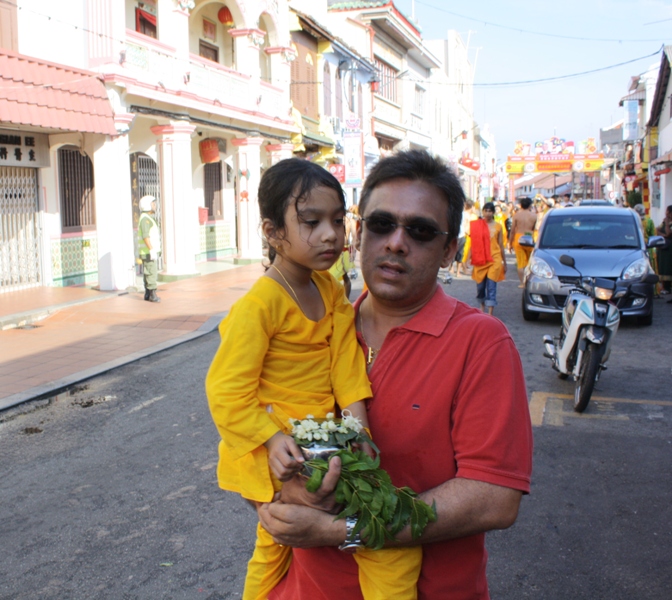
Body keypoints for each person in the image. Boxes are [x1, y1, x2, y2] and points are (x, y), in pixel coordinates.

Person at [258, 149, 533, 600]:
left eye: (420, 231)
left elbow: (494, 497)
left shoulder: (480, 343)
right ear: (359, 233)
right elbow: (248, 435)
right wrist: (273, 501)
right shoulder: (315, 329)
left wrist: (338, 530)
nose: (396, 242)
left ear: (448, 252)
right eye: (382, 224)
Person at [205, 158, 422, 600]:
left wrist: (359, 426)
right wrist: (268, 440)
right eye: (312, 222)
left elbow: (345, 363)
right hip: (278, 456)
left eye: (338, 221)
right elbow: (225, 390)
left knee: (274, 545)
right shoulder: (259, 305)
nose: (330, 234)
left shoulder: (327, 289)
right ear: (272, 232)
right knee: (390, 550)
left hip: (319, 446)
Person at [467, 201, 507, 315]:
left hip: (495, 259)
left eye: (490, 211)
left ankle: (489, 312)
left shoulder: (498, 226)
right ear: (483, 212)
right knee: (480, 286)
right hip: (480, 259)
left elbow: (501, 245)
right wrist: (467, 259)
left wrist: (505, 262)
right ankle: (482, 306)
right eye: (486, 211)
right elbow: (473, 244)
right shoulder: (476, 225)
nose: (488, 213)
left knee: (491, 285)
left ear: (493, 212)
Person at [508, 196, 537, 287]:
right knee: (530, 262)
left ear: (521, 205)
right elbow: (535, 229)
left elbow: (512, 230)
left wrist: (510, 243)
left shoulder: (516, 215)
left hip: (518, 237)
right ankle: (530, 281)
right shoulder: (534, 215)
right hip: (529, 236)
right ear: (530, 205)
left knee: (520, 262)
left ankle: (522, 283)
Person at [137, 195, 161, 303]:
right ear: (147, 205)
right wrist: (151, 249)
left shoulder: (146, 218)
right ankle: (152, 294)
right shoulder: (145, 219)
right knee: (151, 272)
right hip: (148, 252)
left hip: (147, 251)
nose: (155, 206)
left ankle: (147, 294)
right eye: (153, 204)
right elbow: (145, 236)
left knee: (148, 272)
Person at [656, 205, 672, 297]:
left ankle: (668, 287)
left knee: (668, 267)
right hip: (663, 247)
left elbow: (669, 233)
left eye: (667, 211)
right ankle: (664, 286)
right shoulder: (664, 221)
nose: (666, 213)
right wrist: (663, 235)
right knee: (662, 266)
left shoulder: (668, 223)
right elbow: (657, 230)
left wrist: (666, 224)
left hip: (670, 249)